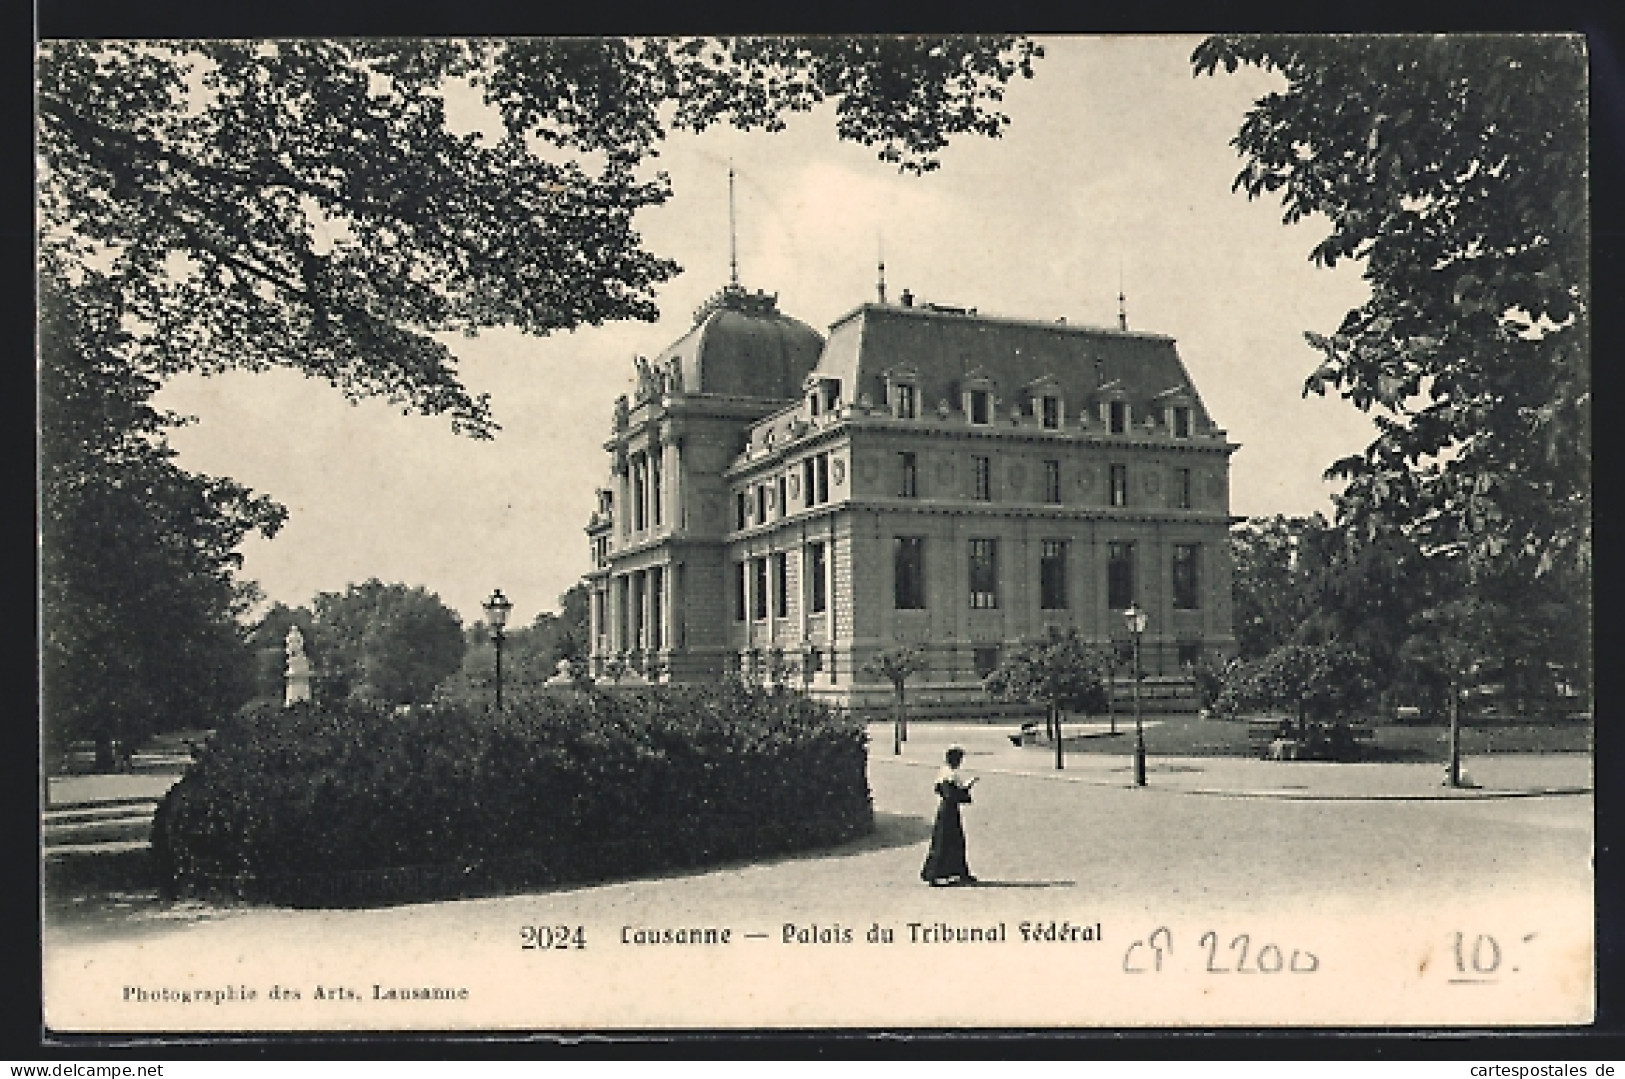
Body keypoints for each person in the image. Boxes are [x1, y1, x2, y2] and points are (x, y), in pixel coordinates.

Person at [921, 745, 978, 886]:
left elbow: (939, 790)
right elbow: (950, 794)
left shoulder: (944, 772)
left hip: (946, 810)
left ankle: (954, 873)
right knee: (947, 841)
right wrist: (965, 789)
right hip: (949, 811)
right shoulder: (950, 775)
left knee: (950, 841)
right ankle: (936, 874)